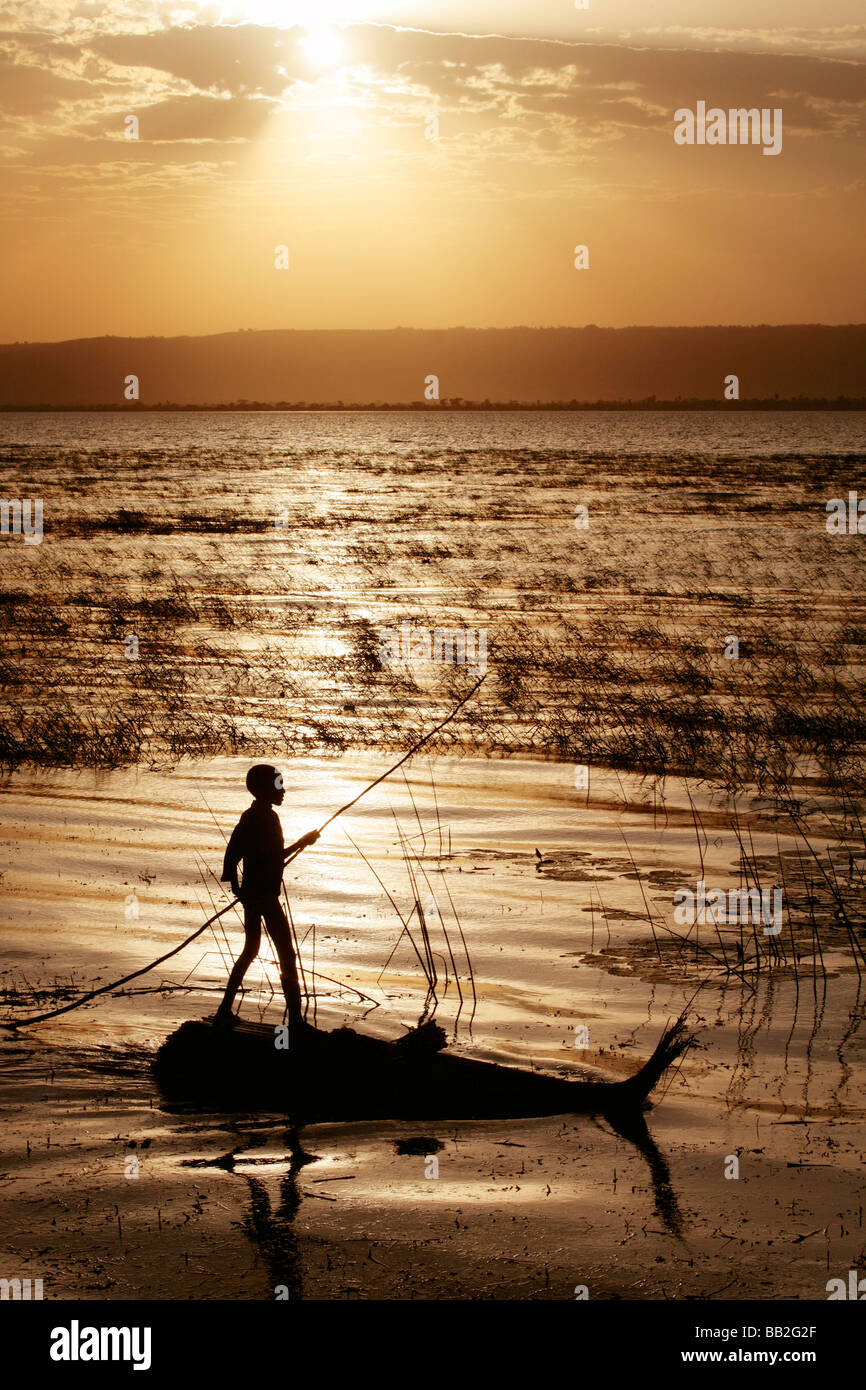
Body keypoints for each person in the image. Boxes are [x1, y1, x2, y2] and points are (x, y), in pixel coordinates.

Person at [214, 763, 319, 1030]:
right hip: (263, 896)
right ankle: (294, 1021)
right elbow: (268, 856)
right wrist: (302, 843)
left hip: (254, 894)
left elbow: (232, 852)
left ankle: (224, 1010)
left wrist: (237, 885)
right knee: (286, 954)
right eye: (278, 785)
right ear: (262, 789)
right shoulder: (264, 818)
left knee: (251, 950)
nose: (283, 790)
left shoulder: (251, 815)